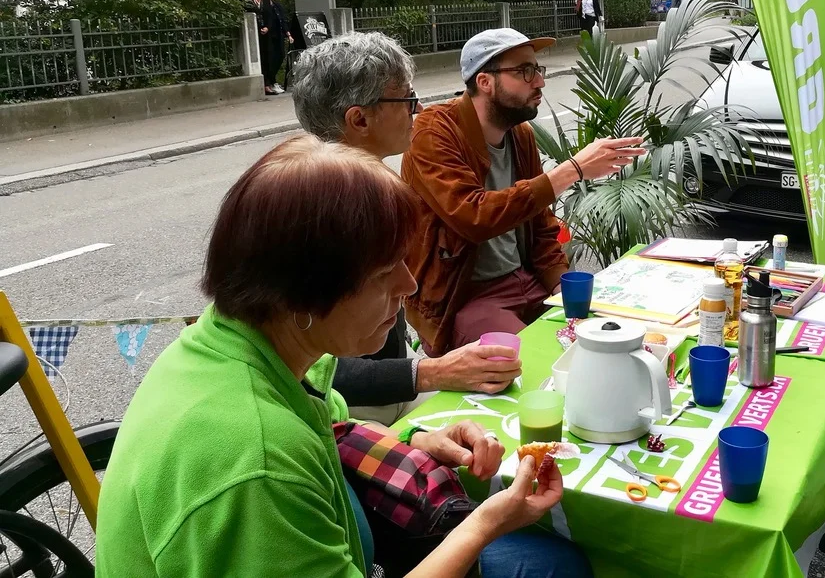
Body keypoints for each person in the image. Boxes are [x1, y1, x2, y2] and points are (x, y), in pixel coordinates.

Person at [96, 135, 593, 578]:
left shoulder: (258, 347)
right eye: (383, 274)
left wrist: (419, 438)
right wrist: (486, 523)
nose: (410, 284)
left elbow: (334, 429)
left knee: (553, 561)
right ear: (302, 293)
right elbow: (274, 462)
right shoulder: (255, 466)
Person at [291, 31, 523, 425]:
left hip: (392, 386)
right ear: (359, 119)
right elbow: (307, 373)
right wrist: (434, 371)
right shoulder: (321, 212)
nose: (417, 110)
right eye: (407, 100)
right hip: (344, 413)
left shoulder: (369, 184)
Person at [401, 28, 646, 357]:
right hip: (465, 299)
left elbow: (541, 223)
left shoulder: (521, 136)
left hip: (527, 280)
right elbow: (474, 217)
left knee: (609, 342)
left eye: (538, 70)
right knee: (542, 360)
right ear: (485, 81)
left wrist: (561, 285)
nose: (539, 81)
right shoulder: (434, 132)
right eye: (524, 71)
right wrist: (571, 170)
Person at [241, 0, 272, 95]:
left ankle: (268, 83)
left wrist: (267, 27)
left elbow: (269, 13)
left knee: (267, 56)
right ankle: (261, 84)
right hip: (252, 30)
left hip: (265, 30)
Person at [262, 0, 292, 94]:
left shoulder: (276, 5)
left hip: (278, 35)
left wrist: (288, 34)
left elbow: (282, 20)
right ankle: (269, 82)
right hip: (268, 36)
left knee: (280, 56)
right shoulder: (263, 6)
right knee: (269, 59)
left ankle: (272, 79)